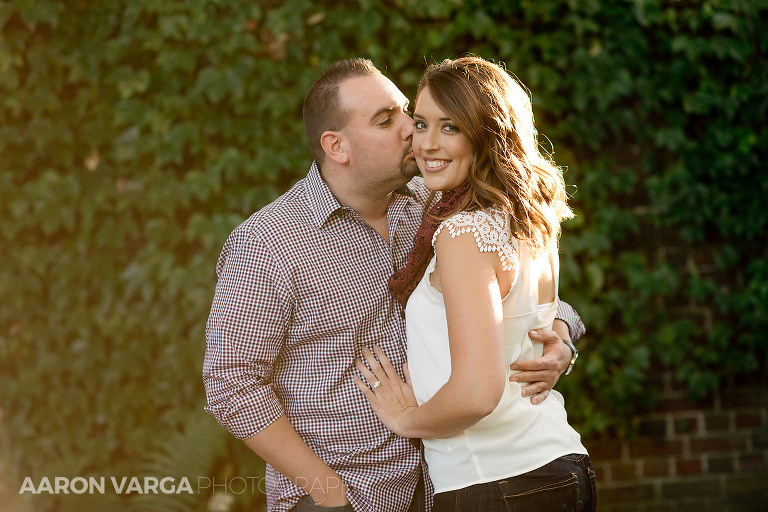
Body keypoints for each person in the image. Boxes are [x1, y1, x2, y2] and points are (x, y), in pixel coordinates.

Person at [203, 58, 585, 512]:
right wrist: (327, 491)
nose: (411, 130)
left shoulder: (434, 204)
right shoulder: (270, 243)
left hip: (447, 482)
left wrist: (560, 341)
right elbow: (231, 382)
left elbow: (523, 294)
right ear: (336, 146)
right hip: (352, 495)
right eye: (388, 121)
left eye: (409, 113)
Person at [356, 56, 596, 512]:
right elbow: (537, 317)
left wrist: (409, 419)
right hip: (561, 464)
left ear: (486, 134)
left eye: (450, 128)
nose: (426, 144)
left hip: (495, 480)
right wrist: (563, 342)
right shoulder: (528, 218)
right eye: (422, 124)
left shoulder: (462, 231)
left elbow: (476, 393)